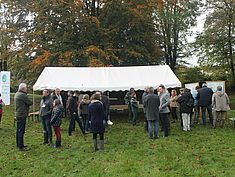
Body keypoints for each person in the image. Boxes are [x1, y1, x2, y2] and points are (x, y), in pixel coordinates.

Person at [14, 83, 33, 151]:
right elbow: (30, 102)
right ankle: (21, 146)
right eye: (26, 88)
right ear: (23, 89)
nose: (27, 89)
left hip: (18, 114)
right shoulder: (22, 95)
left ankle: (19, 144)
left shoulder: (17, 93)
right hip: (22, 115)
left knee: (18, 130)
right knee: (21, 131)